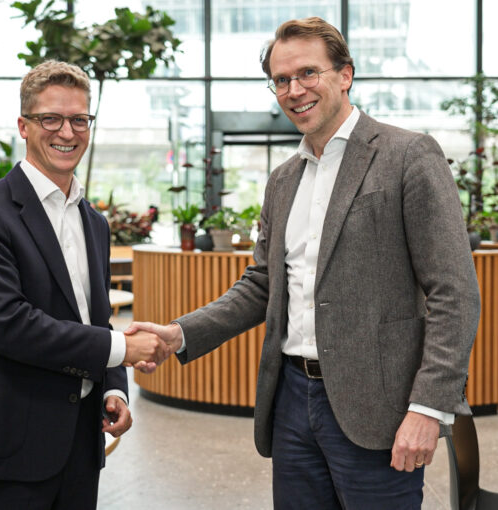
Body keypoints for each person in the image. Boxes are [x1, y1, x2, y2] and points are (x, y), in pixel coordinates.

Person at [127, 17, 481, 509]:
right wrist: (179, 334)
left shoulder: (408, 155)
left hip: (379, 407)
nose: (295, 90)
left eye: (308, 73)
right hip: (292, 401)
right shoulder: (283, 179)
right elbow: (262, 285)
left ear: (345, 75)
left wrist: (428, 407)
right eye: (281, 79)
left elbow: (454, 293)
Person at [0, 60, 165, 509]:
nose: (67, 132)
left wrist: (114, 388)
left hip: (83, 445)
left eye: (79, 120)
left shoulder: (94, 222)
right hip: (15, 450)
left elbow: (95, 318)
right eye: (51, 118)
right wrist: (123, 350)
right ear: (24, 126)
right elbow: (8, 323)